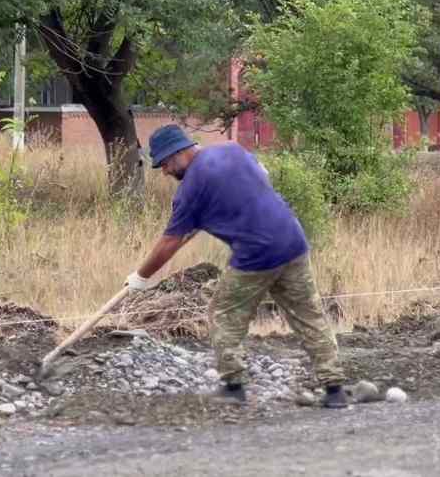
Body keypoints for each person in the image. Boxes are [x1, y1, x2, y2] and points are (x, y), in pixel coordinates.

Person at [125, 124, 348, 407]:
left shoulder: (190, 189)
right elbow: (262, 176)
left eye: (166, 163)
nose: (165, 171)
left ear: (180, 152)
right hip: (293, 240)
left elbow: (170, 242)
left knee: (223, 314)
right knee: (310, 316)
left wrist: (141, 276)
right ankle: (335, 389)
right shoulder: (232, 150)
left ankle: (233, 386)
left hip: (256, 256)